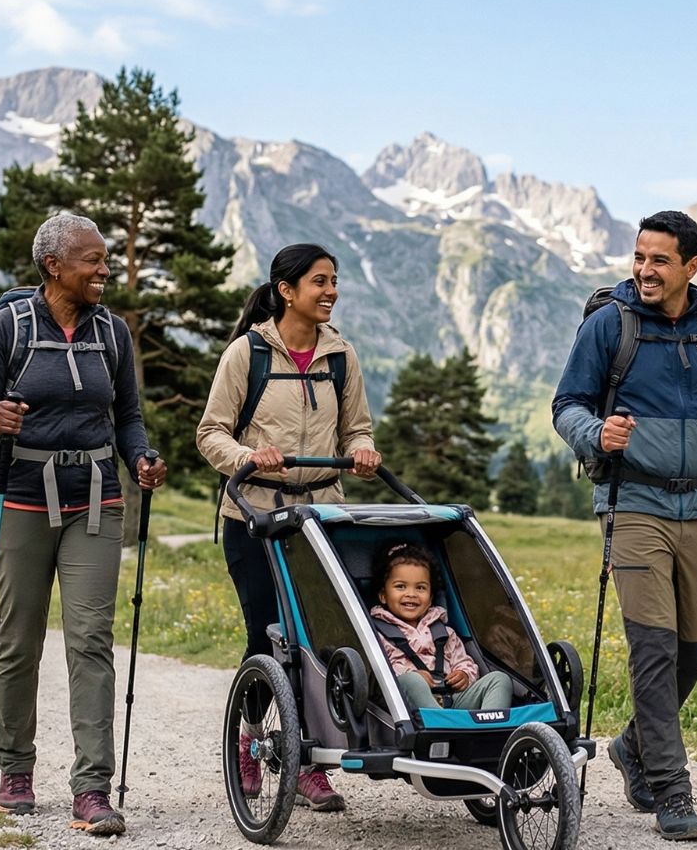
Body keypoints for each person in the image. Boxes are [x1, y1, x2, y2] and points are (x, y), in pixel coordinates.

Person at [551, 209, 697, 841]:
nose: (645, 270)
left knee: (696, 644)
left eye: (659, 260)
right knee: (654, 647)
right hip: (632, 504)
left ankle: (631, 747)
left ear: (691, 266)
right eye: (639, 257)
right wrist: (597, 432)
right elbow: (567, 406)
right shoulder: (606, 327)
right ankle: (671, 788)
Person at [0, 212, 166, 837]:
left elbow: (128, 417)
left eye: (105, 259)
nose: (105, 269)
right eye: (92, 260)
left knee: (90, 640)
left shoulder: (113, 333)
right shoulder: (8, 327)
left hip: (98, 498)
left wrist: (142, 457)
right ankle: (15, 769)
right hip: (21, 498)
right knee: (20, 639)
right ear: (53, 265)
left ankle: (92, 788)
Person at [197, 242, 379, 812]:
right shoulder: (245, 355)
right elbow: (210, 434)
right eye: (320, 282)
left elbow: (358, 429)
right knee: (268, 636)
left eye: (334, 282)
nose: (331, 292)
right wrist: (248, 458)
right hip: (254, 518)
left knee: (321, 640)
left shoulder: (341, 357)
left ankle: (309, 761)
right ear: (286, 291)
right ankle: (252, 743)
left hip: (319, 519)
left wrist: (364, 450)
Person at [367, 543, 513, 711]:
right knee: (413, 682)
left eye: (420, 588)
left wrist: (464, 674)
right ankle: (441, 730)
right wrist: (411, 675)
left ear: (430, 598)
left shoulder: (444, 632)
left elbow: (463, 661)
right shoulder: (377, 635)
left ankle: (489, 731)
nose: (411, 594)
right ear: (383, 596)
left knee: (499, 679)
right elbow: (377, 675)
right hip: (406, 706)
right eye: (401, 586)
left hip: (452, 700)